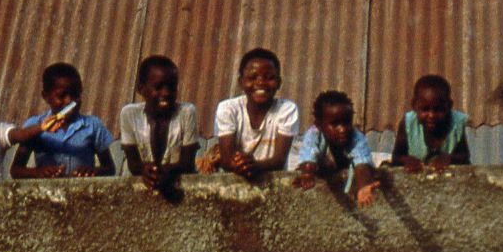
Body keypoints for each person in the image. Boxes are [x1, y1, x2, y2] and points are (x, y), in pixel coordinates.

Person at [11, 62, 115, 178]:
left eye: (75, 95)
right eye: (61, 96)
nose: (69, 101)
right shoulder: (35, 126)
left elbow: (110, 169)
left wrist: (94, 171)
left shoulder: (93, 125)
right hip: (46, 193)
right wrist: (38, 172)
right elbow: (16, 170)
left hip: (82, 193)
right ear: (46, 96)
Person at [212, 48, 299, 179]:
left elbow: (279, 160)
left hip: (273, 181)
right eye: (252, 77)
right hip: (232, 181)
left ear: (279, 83)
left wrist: (255, 165)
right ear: (241, 82)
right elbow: (226, 160)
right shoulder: (228, 109)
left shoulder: (286, 109)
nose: (260, 83)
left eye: (269, 77)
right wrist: (245, 165)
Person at [119, 55, 199, 191]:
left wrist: (164, 171)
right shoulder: (129, 114)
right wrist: (144, 170)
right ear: (141, 89)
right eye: (158, 87)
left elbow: (187, 163)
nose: (166, 93)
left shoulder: (187, 112)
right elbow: (133, 164)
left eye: (172, 87)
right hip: (141, 190)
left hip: (178, 188)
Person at [295, 90, 379, 207]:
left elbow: (362, 163)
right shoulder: (314, 134)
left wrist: (363, 186)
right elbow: (308, 155)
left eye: (347, 122)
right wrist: (308, 173)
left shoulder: (356, 136)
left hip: (344, 171)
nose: (342, 129)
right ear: (319, 125)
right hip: (323, 169)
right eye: (335, 124)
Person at [391, 74, 471, 173]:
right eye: (425, 109)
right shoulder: (408, 123)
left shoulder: (456, 123)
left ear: (449, 106)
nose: (432, 115)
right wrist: (407, 160)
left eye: (438, 109)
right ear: (414, 106)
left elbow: (464, 156)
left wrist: (449, 158)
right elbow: (396, 157)